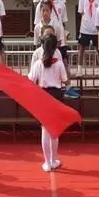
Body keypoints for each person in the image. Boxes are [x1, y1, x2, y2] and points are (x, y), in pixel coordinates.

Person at [28, 33, 68, 172]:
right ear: (55, 47)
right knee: (54, 129)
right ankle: (53, 159)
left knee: (45, 129)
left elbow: (31, 79)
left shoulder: (38, 64)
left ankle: (47, 162)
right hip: (56, 95)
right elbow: (65, 80)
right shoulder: (59, 64)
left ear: (42, 46)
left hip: (42, 95)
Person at [77, 0, 99, 75]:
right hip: (85, 29)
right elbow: (81, 12)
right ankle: (79, 70)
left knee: (98, 50)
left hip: (96, 29)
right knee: (81, 50)